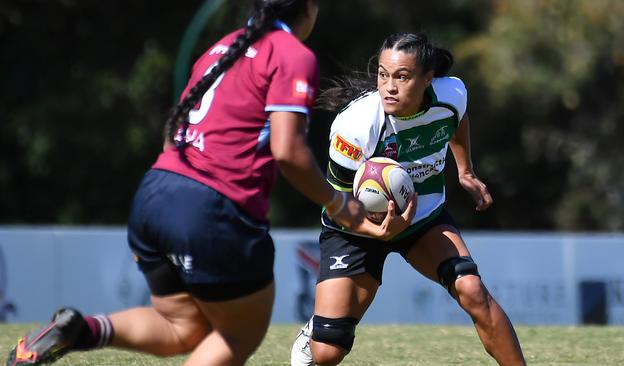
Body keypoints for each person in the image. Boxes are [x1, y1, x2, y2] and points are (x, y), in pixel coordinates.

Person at [5, 1, 367, 365]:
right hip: (213, 208)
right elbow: (288, 151)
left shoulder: (222, 46)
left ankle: (80, 330)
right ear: (308, 7)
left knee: (181, 327)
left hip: (156, 194)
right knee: (237, 334)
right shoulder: (291, 53)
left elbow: (172, 131)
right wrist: (338, 204)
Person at [290, 32, 527, 366]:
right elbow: (335, 199)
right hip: (354, 230)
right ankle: (314, 332)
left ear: (427, 78)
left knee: (473, 291)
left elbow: (456, 122)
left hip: (423, 218)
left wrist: (465, 170)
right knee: (327, 352)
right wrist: (375, 231)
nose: (389, 86)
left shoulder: (451, 94)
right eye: (383, 75)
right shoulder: (354, 126)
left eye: (402, 77)